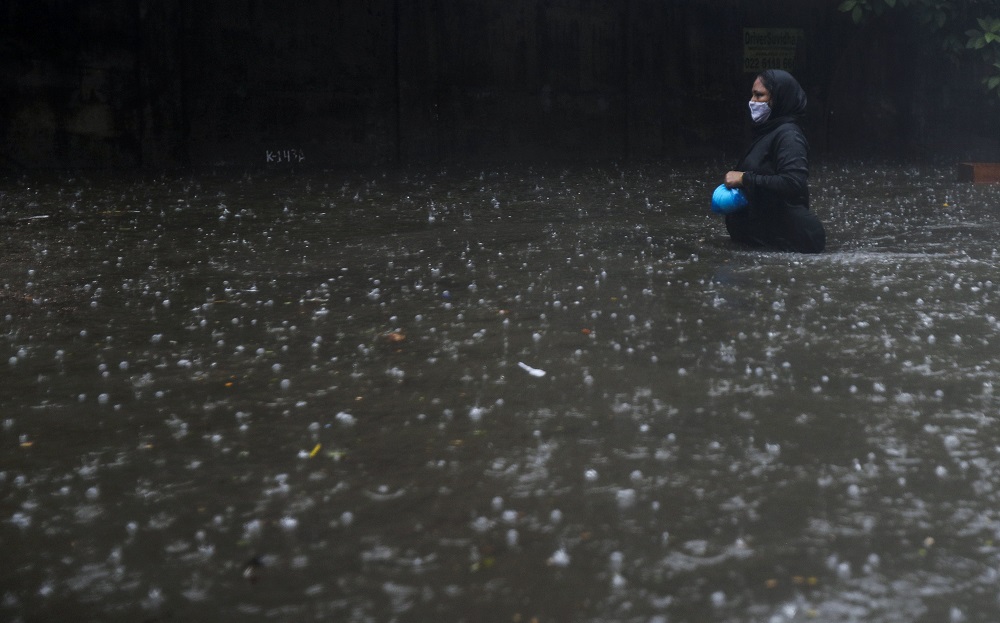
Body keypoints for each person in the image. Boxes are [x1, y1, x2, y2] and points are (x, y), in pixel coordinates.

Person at [722, 69, 825, 253]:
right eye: (752, 94)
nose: (752, 101)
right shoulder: (767, 132)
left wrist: (745, 178)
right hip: (763, 243)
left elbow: (792, 182)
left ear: (779, 98)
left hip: (791, 243)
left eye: (759, 95)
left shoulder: (789, 136)